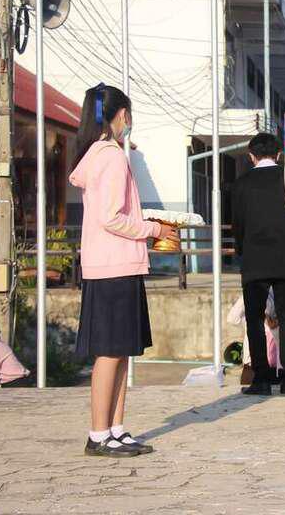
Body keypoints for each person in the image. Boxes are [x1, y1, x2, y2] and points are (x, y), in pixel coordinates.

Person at [69, 83, 177, 458]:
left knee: (121, 352)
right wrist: (153, 229)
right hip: (113, 266)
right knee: (110, 354)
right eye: (128, 114)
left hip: (113, 265)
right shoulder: (112, 157)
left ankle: (114, 428)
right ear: (121, 114)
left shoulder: (98, 154)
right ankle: (99, 433)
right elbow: (112, 217)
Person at [232, 132, 285, 396]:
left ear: (251, 156)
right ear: (279, 154)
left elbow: (238, 224)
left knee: (254, 318)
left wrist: (241, 252)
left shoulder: (241, 184)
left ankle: (261, 378)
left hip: (254, 260)